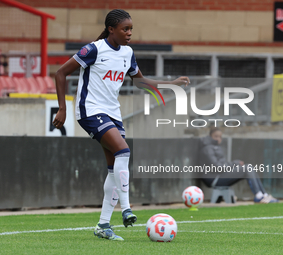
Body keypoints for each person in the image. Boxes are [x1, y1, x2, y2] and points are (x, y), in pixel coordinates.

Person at [52, 9, 190, 241]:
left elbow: (141, 82)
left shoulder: (127, 53)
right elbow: (60, 73)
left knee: (113, 168)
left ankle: (103, 225)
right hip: (90, 110)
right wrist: (63, 108)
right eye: (125, 29)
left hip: (113, 114)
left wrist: (171, 83)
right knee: (123, 151)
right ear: (111, 29)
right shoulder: (93, 49)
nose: (129, 33)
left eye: (131, 29)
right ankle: (126, 208)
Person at [199, 127, 279, 204]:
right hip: (214, 179)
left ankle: (263, 195)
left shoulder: (215, 147)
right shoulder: (207, 148)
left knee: (249, 167)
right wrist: (235, 163)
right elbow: (218, 167)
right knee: (247, 168)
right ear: (210, 136)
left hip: (219, 175)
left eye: (220, 136)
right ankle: (259, 196)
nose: (218, 139)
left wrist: (233, 165)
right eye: (215, 136)